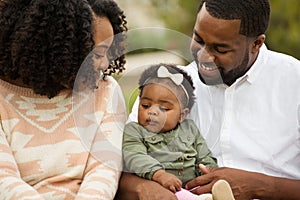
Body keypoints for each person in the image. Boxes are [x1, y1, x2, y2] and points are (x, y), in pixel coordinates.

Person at [115, 0, 300, 199]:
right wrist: (144, 189)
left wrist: (262, 186)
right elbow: (119, 169)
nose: (204, 57)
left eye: (221, 49)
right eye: (199, 40)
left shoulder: (293, 82)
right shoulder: (167, 86)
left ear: (256, 44)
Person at [0, 0, 127, 199]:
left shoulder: (106, 92)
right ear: (57, 47)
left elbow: (104, 173)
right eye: (98, 54)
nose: (105, 64)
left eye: (108, 53)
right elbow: (4, 181)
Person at [122, 64, 234, 200]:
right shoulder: (134, 131)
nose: (152, 111)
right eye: (145, 105)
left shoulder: (190, 129)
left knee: (204, 191)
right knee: (179, 196)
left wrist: (208, 171)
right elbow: (135, 157)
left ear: (182, 115)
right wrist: (159, 175)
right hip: (162, 187)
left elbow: (204, 155)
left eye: (164, 108)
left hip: (192, 184)